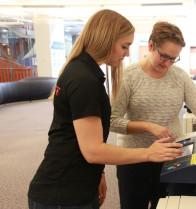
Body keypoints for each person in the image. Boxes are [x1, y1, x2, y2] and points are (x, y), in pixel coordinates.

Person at [28, 10, 182, 209]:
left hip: (76, 184)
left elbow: (86, 139)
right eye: (124, 46)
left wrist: (98, 173)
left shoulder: (83, 71)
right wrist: (148, 154)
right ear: (105, 40)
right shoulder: (84, 80)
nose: (127, 53)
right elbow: (93, 150)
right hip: (62, 192)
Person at [110, 21, 196, 209]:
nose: (168, 63)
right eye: (164, 56)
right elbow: (113, 121)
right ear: (151, 45)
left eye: (173, 58)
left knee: (168, 205)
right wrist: (148, 126)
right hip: (135, 159)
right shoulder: (128, 76)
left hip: (171, 157)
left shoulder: (179, 76)